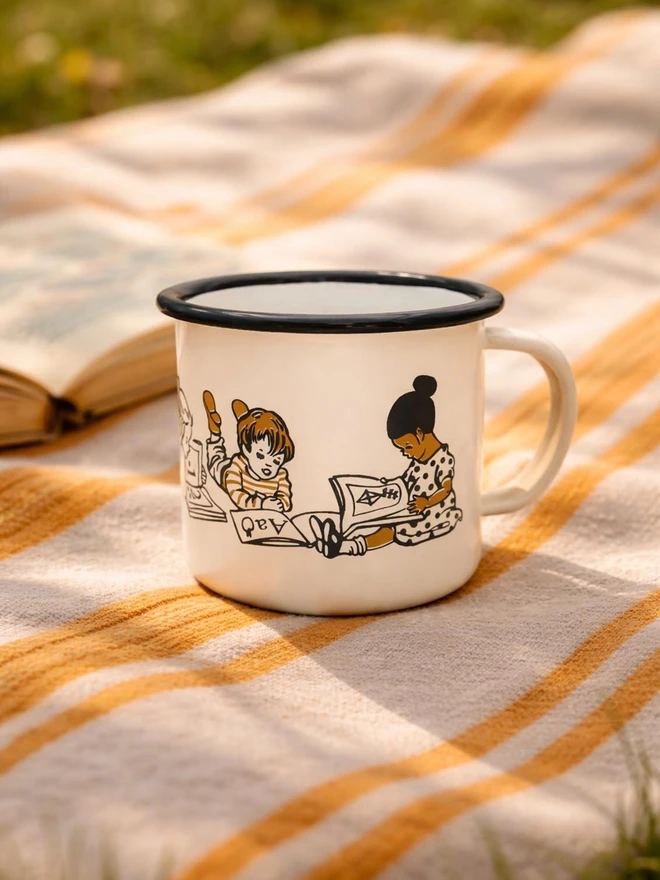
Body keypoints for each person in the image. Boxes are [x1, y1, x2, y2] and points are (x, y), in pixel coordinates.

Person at [311, 375, 462, 557]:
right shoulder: (418, 462)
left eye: (407, 446)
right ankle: (337, 540)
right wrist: (385, 486)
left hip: (431, 513)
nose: (406, 453)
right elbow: (406, 482)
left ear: (420, 433)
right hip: (407, 507)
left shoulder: (443, 459)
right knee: (372, 519)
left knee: (389, 530)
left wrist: (427, 502)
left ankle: (344, 547)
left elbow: (446, 490)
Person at [203, 390, 295, 512]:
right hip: (224, 471)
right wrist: (261, 504)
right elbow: (236, 495)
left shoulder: (280, 476)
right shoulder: (236, 468)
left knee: (249, 434)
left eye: (276, 460)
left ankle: (245, 419)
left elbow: (286, 498)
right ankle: (215, 432)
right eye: (260, 456)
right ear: (246, 450)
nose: (268, 463)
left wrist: (280, 503)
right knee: (216, 459)